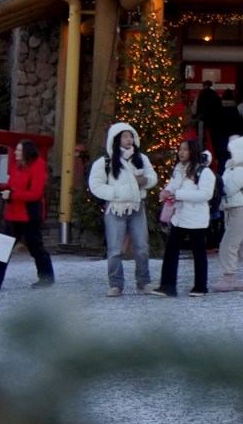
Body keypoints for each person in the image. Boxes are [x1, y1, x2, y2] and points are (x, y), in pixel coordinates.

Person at [88, 123, 157, 297]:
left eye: (131, 136)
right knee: (115, 249)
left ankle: (144, 282)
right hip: (115, 209)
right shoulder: (105, 162)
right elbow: (95, 185)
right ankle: (115, 284)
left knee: (141, 247)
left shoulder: (141, 158)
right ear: (116, 139)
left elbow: (153, 178)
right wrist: (117, 194)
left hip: (136, 207)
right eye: (125, 136)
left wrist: (145, 181)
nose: (129, 140)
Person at [0, 140, 57, 290]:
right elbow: (12, 185)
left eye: (18, 150)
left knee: (36, 248)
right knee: (3, 248)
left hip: (29, 215)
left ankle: (47, 278)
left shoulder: (38, 167)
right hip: (14, 214)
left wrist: (12, 195)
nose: (15, 153)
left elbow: (35, 194)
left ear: (26, 152)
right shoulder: (18, 167)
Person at [159, 141, 217, 295]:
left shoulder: (204, 172)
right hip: (179, 217)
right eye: (180, 149)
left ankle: (200, 286)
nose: (181, 152)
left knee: (198, 253)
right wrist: (166, 192)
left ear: (193, 151)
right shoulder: (179, 169)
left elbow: (205, 194)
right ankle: (167, 286)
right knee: (171, 250)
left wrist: (178, 195)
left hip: (196, 219)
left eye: (185, 149)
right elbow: (172, 185)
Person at [212, 130, 243, 292]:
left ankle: (228, 279)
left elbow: (227, 188)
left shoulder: (239, 170)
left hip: (240, 210)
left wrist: (224, 171)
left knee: (228, 244)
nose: (230, 154)